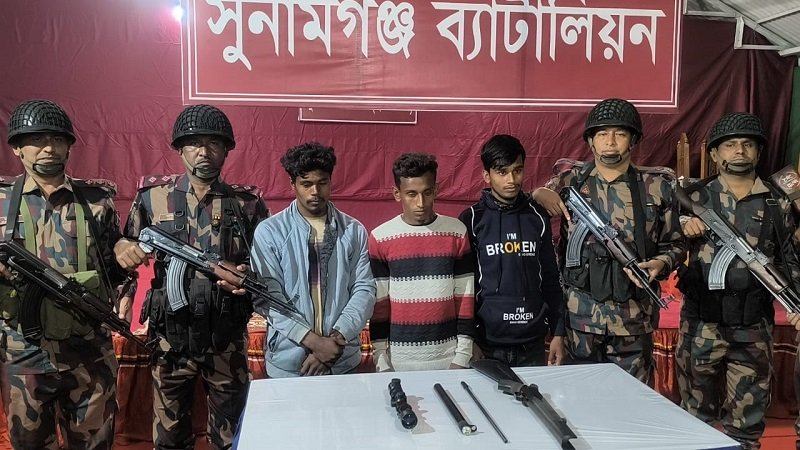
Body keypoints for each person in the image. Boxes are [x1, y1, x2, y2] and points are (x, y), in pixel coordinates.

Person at [113, 104, 268, 450]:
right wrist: (123, 292)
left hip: (225, 336)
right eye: (195, 143)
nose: (204, 152)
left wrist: (245, 276)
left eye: (214, 143)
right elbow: (127, 250)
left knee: (232, 436)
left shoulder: (247, 203)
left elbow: (265, 263)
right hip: (170, 338)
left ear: (226, 150)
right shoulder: (152, 198)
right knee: (170, 437)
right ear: (180, 149)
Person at [0, 99, 127, 449]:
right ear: (16, 149)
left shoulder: (97, 200)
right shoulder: (2, 199)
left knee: (94, 443)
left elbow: (114, 268)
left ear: (69, 146)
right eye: (37, 140)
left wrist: (124, 254)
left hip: (88, 347)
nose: (49, 148)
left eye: (57, 140)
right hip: (23, 350)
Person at [533, 98, 685, 383]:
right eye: (602, 134)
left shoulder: (656, 187)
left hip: (633, 319)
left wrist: (660, 263)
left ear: (633, 140)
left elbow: (675, 245)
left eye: (620, 134)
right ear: (591, 141)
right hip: (580, 317)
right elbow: (533, 199)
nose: (611, 142)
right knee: (580, 396)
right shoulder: (570, 181)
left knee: (631, 399)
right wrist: (539, 193)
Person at [675, 112, 800, 449]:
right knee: (694, 419)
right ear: (715, 154)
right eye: (730, 145)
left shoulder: (776, 201)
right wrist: (682, 226)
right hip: (701, 324)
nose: (739, 151)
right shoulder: (693, 197)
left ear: (758, 152)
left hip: (753, 326)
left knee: (747, 423)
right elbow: (662, 243)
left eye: (747, 144)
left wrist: (796, 303)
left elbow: (788, 260)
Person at [250, 142, 376, 378]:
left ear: (331, 181)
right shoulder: (270, 231)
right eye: (306, 184)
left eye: (322, 183)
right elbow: (269, 296)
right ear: (292, 184)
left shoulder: (353, 230)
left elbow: (364, 289)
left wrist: (335, 341)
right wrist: (315, 343)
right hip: (288, 362)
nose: (315, 192)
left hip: (341, 359)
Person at [458, 134, 565, 367]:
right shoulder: (472, 219)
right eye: (502, 172)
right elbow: (464, 286)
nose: (512, 180)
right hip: (487, 343)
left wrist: (558, 332)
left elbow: (550, 277)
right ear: (486, 176)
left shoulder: (538, 216)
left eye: (517, 171)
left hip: (532, 344)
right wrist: (468, 339)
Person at [368, 153, 475, 372]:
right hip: (398, 361)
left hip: (449, 358)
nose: (421, 203)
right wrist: (381, 360)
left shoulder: (456, 232)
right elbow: (380, 304)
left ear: (436, 190)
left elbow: (465, 297)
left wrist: (463, 356)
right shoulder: (380, 237)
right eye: (411, 194)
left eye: (427, 193)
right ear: (397, 194)